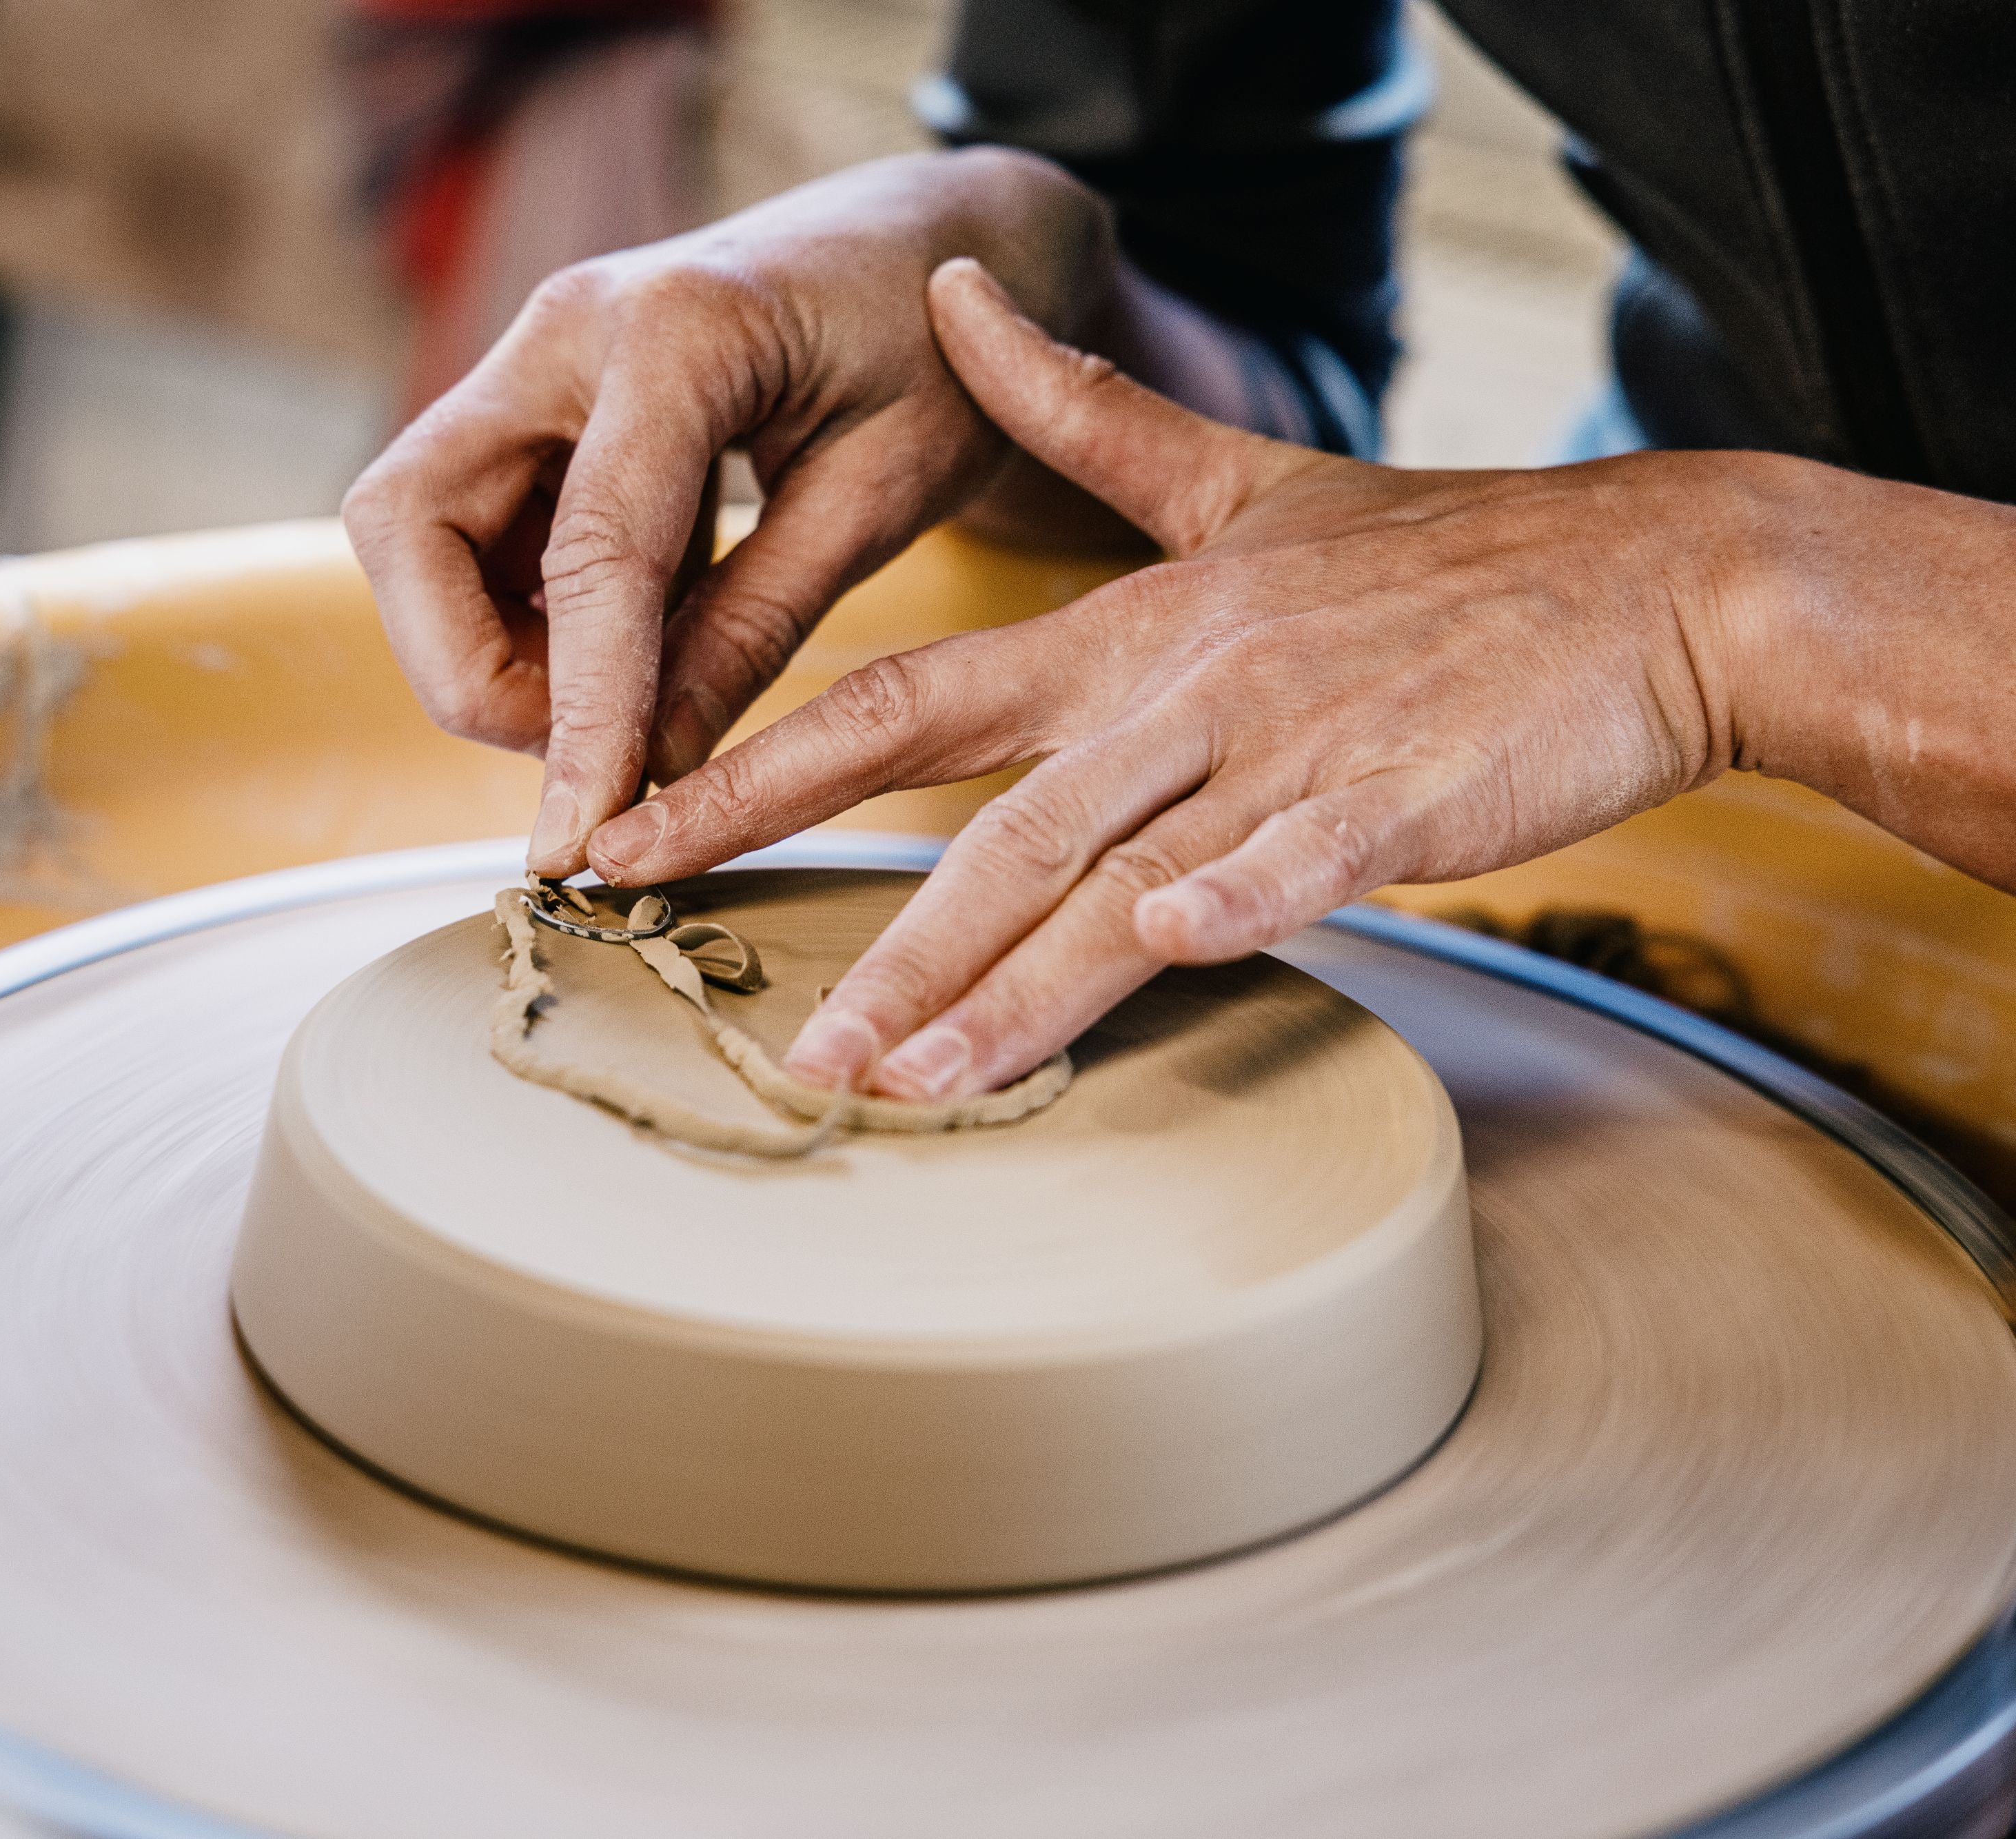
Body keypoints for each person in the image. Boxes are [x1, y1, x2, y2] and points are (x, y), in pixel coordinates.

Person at [340, 0, 2016, 1107]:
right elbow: (1246, 295)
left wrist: (1738, 597)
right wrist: (1010, 286)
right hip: (1686, 706)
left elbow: (1706, 588)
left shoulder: (1705, 589)